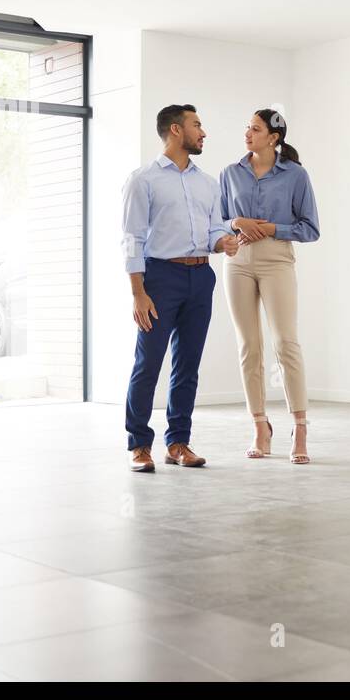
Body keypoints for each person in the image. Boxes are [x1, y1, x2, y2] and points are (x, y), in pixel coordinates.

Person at [121, 104, 239, 472]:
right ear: (175, 130)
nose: (203, 132)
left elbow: (215, 228)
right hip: (159, 279)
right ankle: (139, 445)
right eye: (197, 125)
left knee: (187, 365)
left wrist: (224, 243)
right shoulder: (143, 180)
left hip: (201, 278)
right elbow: (132, 238)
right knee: (148, 363)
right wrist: (138, 292)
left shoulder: (208, 182)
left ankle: (178, 443)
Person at [219, 109, 319, 464]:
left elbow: (310, 228)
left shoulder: (295, 176)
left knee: (285, 343)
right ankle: (260, 427)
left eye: (255, 128)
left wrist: (273, 228)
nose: (248, 132)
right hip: (237, 262)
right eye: (247, 126)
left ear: (273, 138)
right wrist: (237, 221)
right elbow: (218, 221)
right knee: (249, 347)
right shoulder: (230, 173)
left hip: (277, 259)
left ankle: (300, 427)